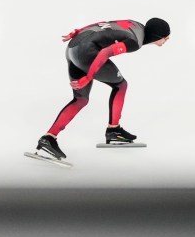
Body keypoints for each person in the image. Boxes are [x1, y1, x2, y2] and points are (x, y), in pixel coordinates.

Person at [32, 18, 171, 162]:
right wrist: (88, 76)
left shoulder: (135, 24)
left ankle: (48, 138)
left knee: (81, 99)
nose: (167, 40)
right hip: (85, 53)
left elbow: (103, 23)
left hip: (73, 48)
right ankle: (113, 130)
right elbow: (105, 52)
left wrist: (79, 31)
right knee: (121, 85)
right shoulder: (135, 42)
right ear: (157, 37)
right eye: (166, 38)